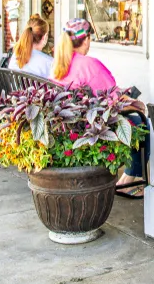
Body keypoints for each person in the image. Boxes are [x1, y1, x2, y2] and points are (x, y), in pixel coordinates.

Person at [52, 18, 147, 195]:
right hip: (94, 127)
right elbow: (114, 100)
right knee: (144, 124)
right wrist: (137, 105)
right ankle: (130, 181)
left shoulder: (59, 65)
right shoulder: (89, 65)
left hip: (70, 126)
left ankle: (127, 180)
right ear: (86, 39)